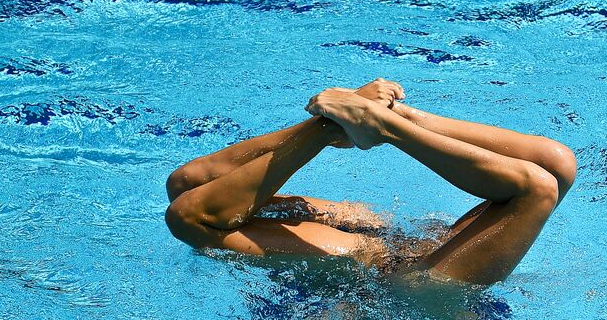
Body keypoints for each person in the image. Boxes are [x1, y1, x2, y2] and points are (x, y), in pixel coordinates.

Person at [162, 79, 576, 286]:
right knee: (538, 185)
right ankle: (387, 127)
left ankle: (395, 121)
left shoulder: (278, 214)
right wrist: (326, 129)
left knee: (555, 163)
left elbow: (187, 180)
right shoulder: (207, 228)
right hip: (415, 292)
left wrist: (336, 120)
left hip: (417, 251)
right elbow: (188, 209)